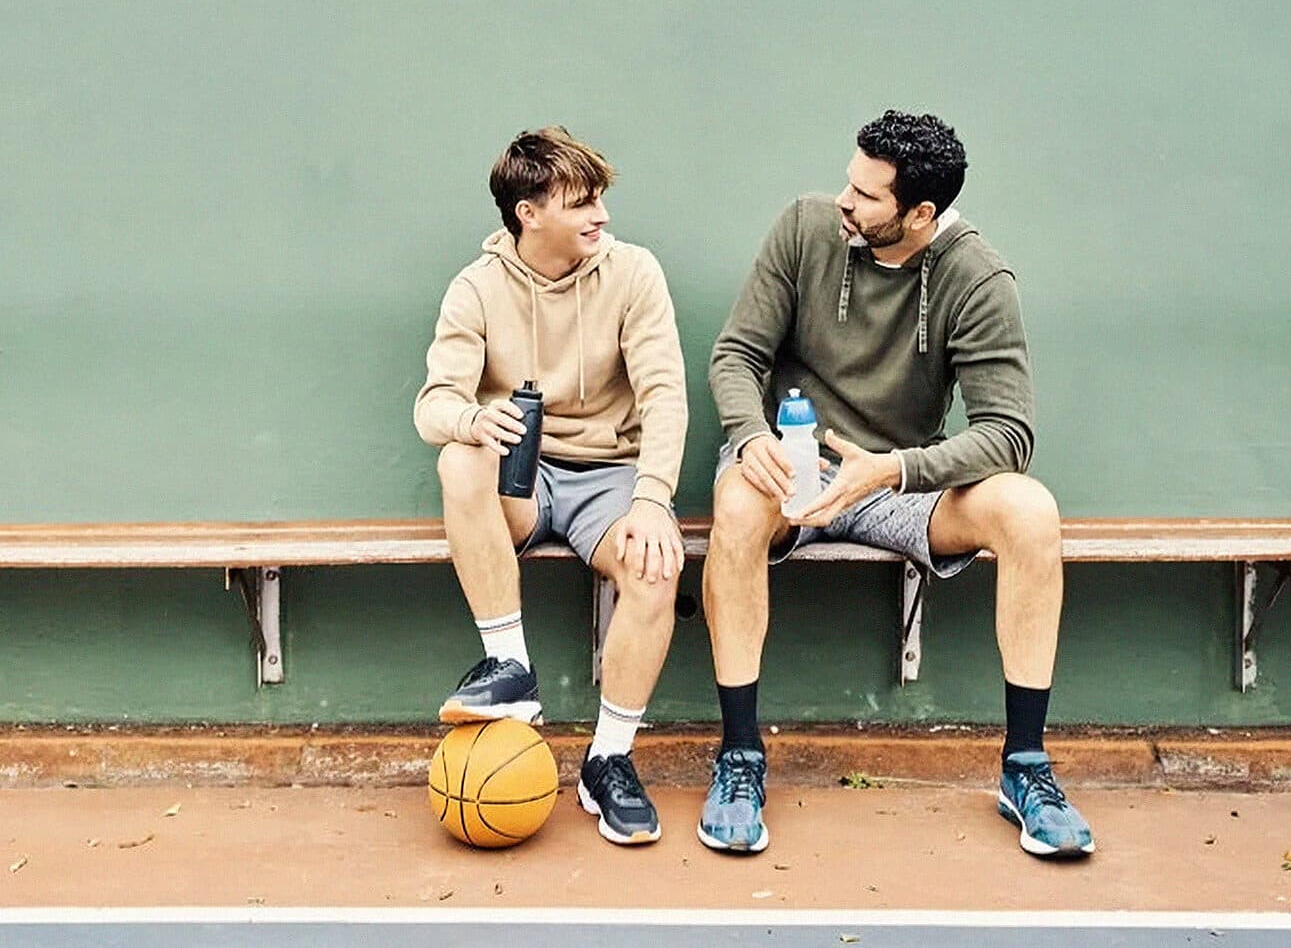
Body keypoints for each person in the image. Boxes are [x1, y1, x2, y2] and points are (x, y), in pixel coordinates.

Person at [699, 110, 1094, 860]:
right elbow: (736, 355)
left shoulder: (977, 277)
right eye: (848, 182)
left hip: (898, 481)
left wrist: (895, 469)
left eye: (866, 195)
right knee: (737, 504)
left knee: (1030, 510)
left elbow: (1007, 433)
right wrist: (751, 437)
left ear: (920, 213)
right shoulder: (806, 228)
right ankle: (740, 756)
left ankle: (1025, 766)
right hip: (795, 463)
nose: (844, 201)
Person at [414, 126, 688, 846]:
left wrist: (653, 499)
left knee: (656, 567)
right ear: (528, 214)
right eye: (581, 203)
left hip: (612, 476)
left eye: (600, 199)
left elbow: (664, 395)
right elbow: (433, 405)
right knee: (456, 459)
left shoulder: (633, 272)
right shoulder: (476, 288)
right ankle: (511, 667)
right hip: (522, 479)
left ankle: (609, 760)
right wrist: (476, 419)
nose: (601, 215)